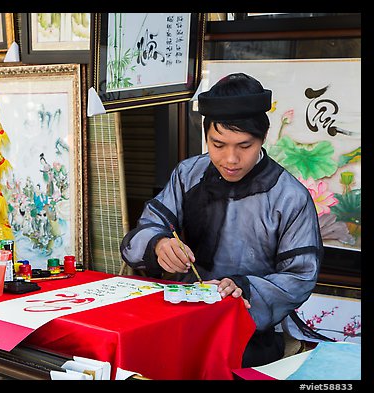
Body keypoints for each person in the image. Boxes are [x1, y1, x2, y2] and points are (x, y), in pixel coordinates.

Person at [120, 72, 323, 367]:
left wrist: (244, 286)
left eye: (244, 146)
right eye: (218, 144)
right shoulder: (189, 174)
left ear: (263, 138)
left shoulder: (289, 196)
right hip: (182, 318)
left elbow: (300, 276)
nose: (230, 159)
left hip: (251, 331)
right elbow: (146, 229)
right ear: (206, 137)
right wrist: (159, 244)